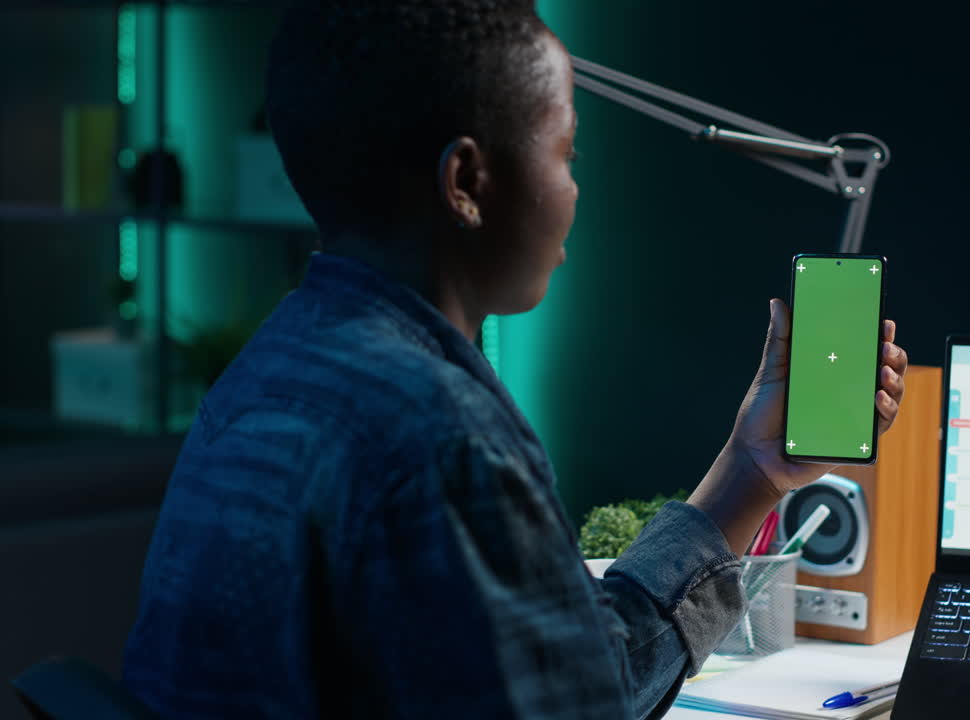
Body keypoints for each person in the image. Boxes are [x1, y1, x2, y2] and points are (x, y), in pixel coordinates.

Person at [121, 1, 910, 718]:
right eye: (565, 153)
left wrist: (751, 472)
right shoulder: (441, 436)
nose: (573, 190)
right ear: (467, 181)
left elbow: (584, 674)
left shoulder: (265, 378)